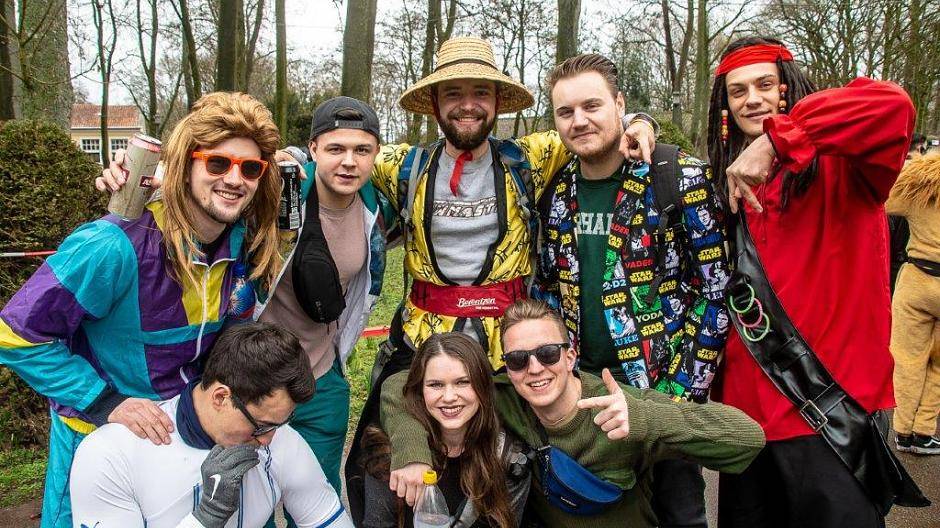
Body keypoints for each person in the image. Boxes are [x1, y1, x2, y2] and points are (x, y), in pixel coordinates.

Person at [336, 36, 658, 523]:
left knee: (512, 470)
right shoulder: (403, 166)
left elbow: (598, 126)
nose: (467, 105)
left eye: (480, 93)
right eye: (453, 93)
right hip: (423, 342)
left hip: (509, 349)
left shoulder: (531, 157)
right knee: (380, 463)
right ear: (435, 104)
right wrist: (292, 160)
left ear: (497, 102)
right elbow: (338, 157)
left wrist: (641, 122)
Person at [0, 92, 282, 528]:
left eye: (249, 168)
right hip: (98, 439)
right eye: (217, 163)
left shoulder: (243, 244)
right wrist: (105, 401)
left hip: (181, 436)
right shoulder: (112, 245)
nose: (234, 179)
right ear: (185, 165)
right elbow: (15, 335)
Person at [705, 36, 918, 526]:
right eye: (737, 91)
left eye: (765, 85)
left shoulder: (849, 167)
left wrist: (777, 138)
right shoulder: (722, 182)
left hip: (830, 413)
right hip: (748, 421)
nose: (752, 99)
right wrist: (641, 123)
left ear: (789, 88)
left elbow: (893, 105)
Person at [533, 53, 730, 528]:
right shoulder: (556, 192)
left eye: (592, 106)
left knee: (679, 515)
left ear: (620, 105)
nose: (579, 121)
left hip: (661, 395)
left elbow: (716, 293)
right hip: (584, 399)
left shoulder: (677, 177)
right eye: (565, 112)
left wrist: (679, 393)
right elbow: (550, 289)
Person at [380, 299, 765, 527]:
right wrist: (411, 451)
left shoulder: (620, 406)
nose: (534, 369)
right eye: (518, 359)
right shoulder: (504, 398)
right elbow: (402, 385)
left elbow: (748, 438)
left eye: (547, 354)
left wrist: (648, 420)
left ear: (570, 356)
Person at [69, 321, 352, 528]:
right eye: (262, 425)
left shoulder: (281, 439)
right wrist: (206, 518)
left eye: (280, 423)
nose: (268, 439)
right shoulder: (110, 454)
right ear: (221, 397)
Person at [361, 332, 530, 527]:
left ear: (482, 386)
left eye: (462, 382)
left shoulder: (509, 457)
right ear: (420, 390)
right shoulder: (390, 452)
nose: (449, 397)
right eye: (436, 385)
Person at [886, 151, 940, 455]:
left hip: (917, 280)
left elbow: (884, 202)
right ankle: (924, 432)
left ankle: (902, 430)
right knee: (938, 366)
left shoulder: (920, 187)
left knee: (907, 358)